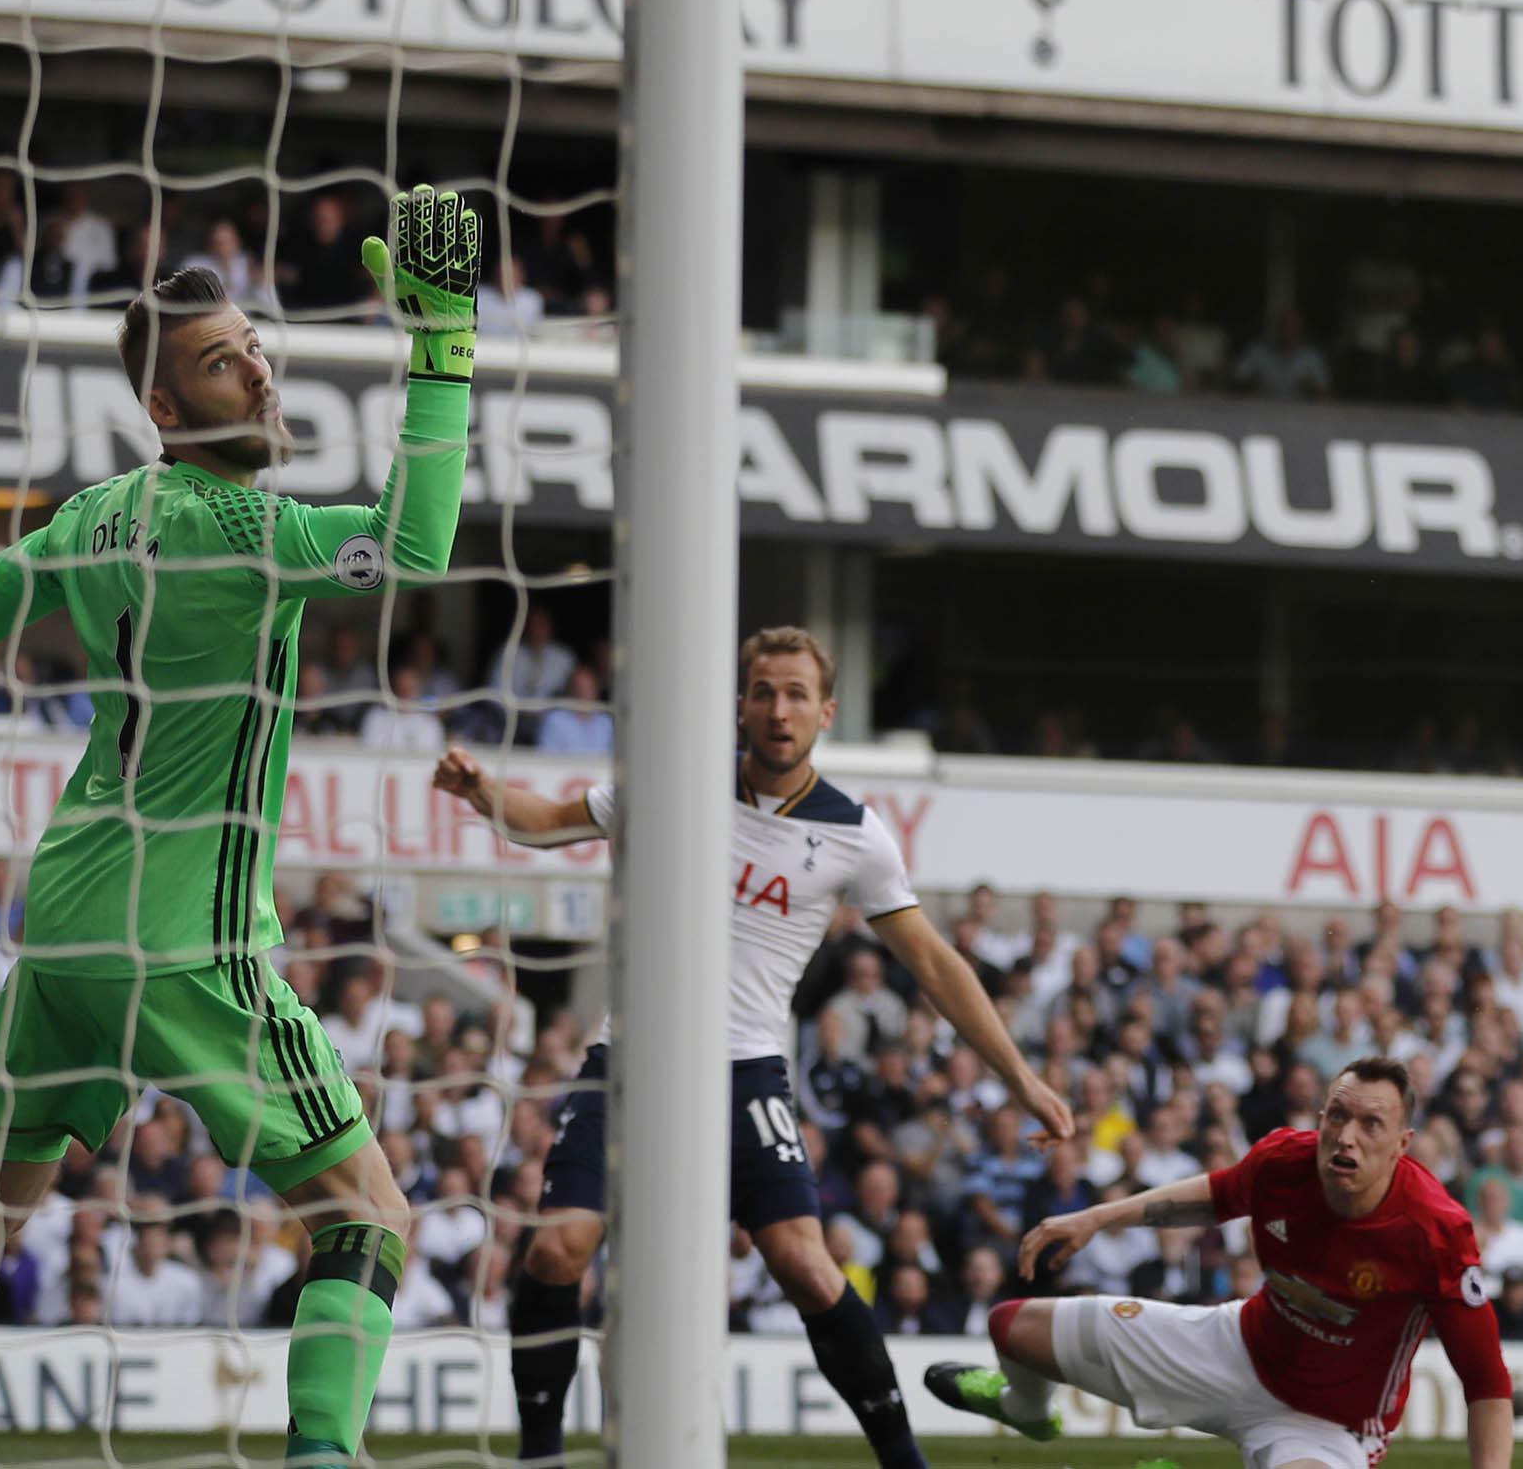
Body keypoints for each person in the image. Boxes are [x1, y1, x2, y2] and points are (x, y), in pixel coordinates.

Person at [0, 185, 483, 1469]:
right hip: (185, 936)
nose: (258, 371)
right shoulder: (254, 530)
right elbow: (414, 547)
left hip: (67, 923)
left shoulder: (93, 515)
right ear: (165, 407)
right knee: (368, 1215)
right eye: (221, 364)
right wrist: (440, 350)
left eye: (253, 347)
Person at [430, 623, 1075, 1469]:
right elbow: (546, 821)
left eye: (797, 694)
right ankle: (540, 1455)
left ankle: (905, 1463)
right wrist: (482, 790)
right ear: (740, 705)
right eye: (764, 691)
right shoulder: (674, 786)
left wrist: (1021, 1076)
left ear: (826, 712)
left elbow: (934, 963)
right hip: (631, 1059)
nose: (779, 709)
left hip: (745, 1069)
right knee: (557, 1247)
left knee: (807, 1264)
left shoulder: (855, 834)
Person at [922, 1056, 1513, 1469]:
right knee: (1011, 1327)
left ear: (1402, 1144)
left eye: (1370, 1124)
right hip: (1234, 1347)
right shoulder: (1283, 1161)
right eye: (1337, 1115)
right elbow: (1214, 1195)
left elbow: (1487, 1382)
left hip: (1327, 1423)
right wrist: (1098, 1217)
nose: (1346, 1135)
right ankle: (1024, 1410)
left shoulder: (1436, 1233)